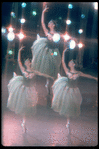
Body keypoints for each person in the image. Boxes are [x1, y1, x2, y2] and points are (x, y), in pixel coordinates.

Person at [51, 48, 98, 144]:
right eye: (69, 62)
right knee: (66, 104)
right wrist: (63, 52)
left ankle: (69, 120)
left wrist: (94, 77)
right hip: (67, 90)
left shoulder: (78, 73)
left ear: (74, 64)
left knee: (73, 105)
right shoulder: (67, 71)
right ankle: (68, 121)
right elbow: (63, 62)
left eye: (71, 62)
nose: (69, 63)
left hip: (74, 91)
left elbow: (86, 75)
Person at [7, 46, 39, 132]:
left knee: (28, 106)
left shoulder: (33, 71)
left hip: (30, 90)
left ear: (30, 62)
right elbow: (19, 61)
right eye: (26, 61)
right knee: (23, 105)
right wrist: (19, 51)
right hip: (23, 89)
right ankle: (24, 122)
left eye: (28, 61)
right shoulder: (23, 69)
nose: (26, 62)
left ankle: (24, 121)